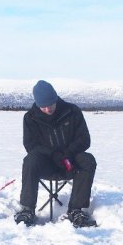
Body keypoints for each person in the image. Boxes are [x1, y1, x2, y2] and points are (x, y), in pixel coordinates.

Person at [14, 80, 97, 228]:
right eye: (43, 106)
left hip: (71, 161)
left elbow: (84, 139)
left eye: (50, 104)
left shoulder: (72, 111)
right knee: (30, 160)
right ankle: (27, 209)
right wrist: (53, 155)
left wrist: (67, 154)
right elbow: (31, 145)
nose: (47, 109)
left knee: (88, 160)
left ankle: (76, 210)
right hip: (46, 163)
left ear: (56, 98)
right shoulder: (30, 118)